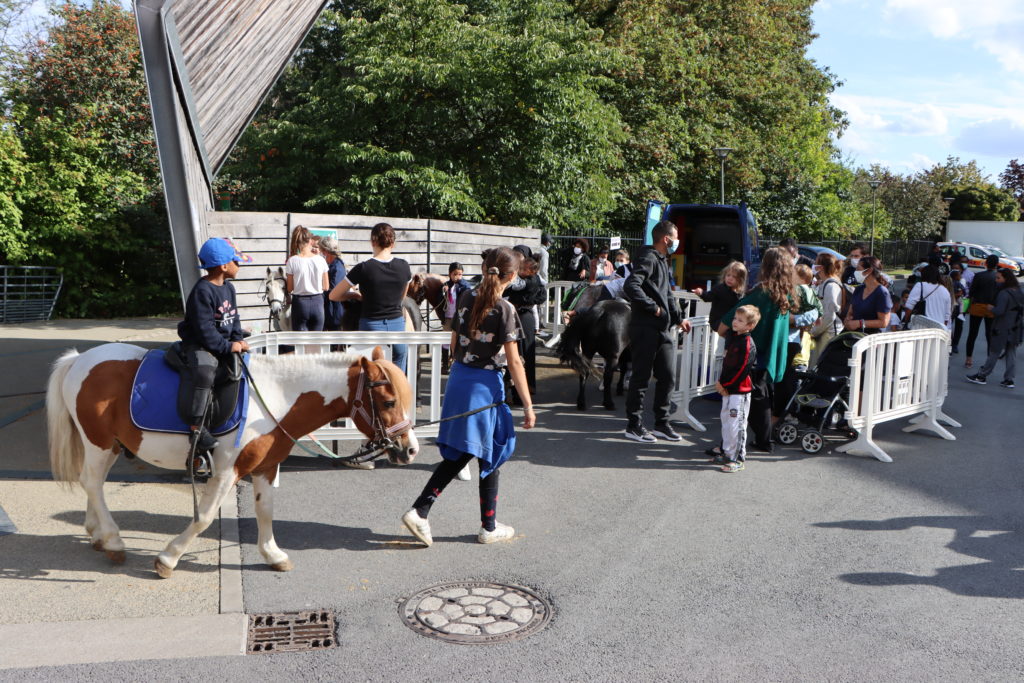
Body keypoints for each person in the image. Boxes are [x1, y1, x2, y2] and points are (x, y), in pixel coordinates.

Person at [400, 247, 535, 547]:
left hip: (460, 378)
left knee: (478, 451)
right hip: (484, 386)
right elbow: (514, 362)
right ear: (511, 276)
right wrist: (527, 404)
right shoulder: (505, 309)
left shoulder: (465, 296)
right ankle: (426, 511)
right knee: (485, 451)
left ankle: (480, 521)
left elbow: (453, 338)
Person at [176, 238, 250, 475]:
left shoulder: (229, 288)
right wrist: (227, 347)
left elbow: (234, 320)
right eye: (235, 260)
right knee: (205, 371)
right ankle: (197, 428)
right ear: (223, 266)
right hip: (200, 345)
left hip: (223, 343)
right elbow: (205, 331)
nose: (239, 264)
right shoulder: (203, 290)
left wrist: (238, 340)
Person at [717, 247, 799, 453]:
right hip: (771, 355)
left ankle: (757, 442)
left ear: (766, 266)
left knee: (751, 403)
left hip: (753, 357)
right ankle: (763, 440)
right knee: (762, 399)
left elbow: (724, 325)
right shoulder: (785, 294)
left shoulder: (761, 293)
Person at [622, 220, 690, 443]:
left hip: (662, 329)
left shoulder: (662, 259)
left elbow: (667, 293)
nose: (678, 241)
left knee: (668, 377)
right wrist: (654, 309)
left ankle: (662, 423)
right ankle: (634, 426)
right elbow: (631, 285)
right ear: (666, 239)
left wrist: (679, 318)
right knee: (641, 378)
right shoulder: (649, 257)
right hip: (645, 328)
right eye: (676, 236)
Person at [329, 223, 412, 373]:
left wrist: (354, 294)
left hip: (371, 325)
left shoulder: (363, 268)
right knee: (398, 368)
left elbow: (334, 295)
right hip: (397, 325)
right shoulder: (404, 266)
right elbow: (403, 296)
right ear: (393, 243)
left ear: (373, 242)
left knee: (369, 372)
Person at [712, 304, 760, 473]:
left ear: (750, 326)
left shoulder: (747, 343)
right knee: (726, 421)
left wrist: (726, 385)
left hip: (739, 391)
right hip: (728, 389)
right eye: (735, 319)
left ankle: (738, 458)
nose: (735, 322)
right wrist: (721, 383)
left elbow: (742, 369)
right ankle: (727, 451)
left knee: (737, 424)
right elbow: (727, 365)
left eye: (740, 320)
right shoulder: (734, 338)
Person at [966, 268, 1023, 388]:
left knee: (994, 352)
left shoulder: (1003, 293)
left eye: (998, 278)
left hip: (1002, 327)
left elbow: (999, 311)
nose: (996, 280)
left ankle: (982, 375)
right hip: (1015, 327)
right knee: (1011, 353)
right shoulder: (1019, 291)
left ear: (1005, 279)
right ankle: (1009, 379)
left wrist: (991, 308)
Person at [506, 256, 547, 401]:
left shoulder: (528, 281)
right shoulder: (536, 280)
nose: (520, 271)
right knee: (523, 353)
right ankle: (524, 389)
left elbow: (512, 286)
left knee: (521, 353)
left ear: (533, 271)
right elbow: (542, 296)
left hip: (522, 317)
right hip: (524, 316)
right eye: (520, 268)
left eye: (523, 269)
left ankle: (519, 392)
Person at [285, 226, 330, 332]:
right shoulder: (321, 260)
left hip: (300, 304)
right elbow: (326, 286)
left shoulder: (292, 261)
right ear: (310, 241)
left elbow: (290, 288)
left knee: (300, 343)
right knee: (316, 343)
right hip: (317, 303)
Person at [964, 255, 1000, 369]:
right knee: (989, 335)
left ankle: (968, 359)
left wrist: (968, 307)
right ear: (997, 264)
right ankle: (989, 362)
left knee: (972, 333)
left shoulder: (979, 276)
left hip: (977, 306)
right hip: (991, 308)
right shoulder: (998, 278)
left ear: (986, 263)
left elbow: (972, 293)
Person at [809, 252, 845, 365]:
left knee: (819, 366)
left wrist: (813, 332)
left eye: (816, 263)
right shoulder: (826, 283)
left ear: (821, 267)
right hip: (825, 331)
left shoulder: (831, 286)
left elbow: (829, 315)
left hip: (829, 333)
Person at [843, 254, 892, 334]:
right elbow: (850, 312)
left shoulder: (882, 292)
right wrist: (847, 319)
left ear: (869, 271)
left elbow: (884, 322)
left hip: (869, 339)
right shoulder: (859, 289)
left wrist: (860, 323)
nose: (855, 272)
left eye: (858, 269)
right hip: (853, 335)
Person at [696, 261, 747, 333]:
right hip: (718, 321)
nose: (730, 278)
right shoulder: (720, 289)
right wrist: (701, 293)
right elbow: (708, 296)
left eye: (734, 277)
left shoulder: (740, 294)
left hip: (731, 322)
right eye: (728, 275)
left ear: (740, 280)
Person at [904, 264, 952, 330]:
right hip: (938, 330)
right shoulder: (945, 290)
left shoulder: (920, 286)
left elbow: (909, 307)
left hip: (921, 328)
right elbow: (947, 316)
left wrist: (907, 322)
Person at [318, 236, 346, 331]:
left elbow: (334, 289)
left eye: (321, 252)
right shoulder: (332, 265)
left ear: (326, 251)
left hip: (334, 313)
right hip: (329, 311)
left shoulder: (337, 267)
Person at [440, 262, 470, 331]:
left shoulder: (464, 285)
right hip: (447, 318)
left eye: (460, 274)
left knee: (457, 337)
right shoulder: (446, 285)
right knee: (447, 338)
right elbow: (440, 299)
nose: (458, 276)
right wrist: (444, 291)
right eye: (455, 274)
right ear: (450, 274)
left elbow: (467, 289)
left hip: (459, 318)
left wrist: (460, 282)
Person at [949, 264, 968, 353]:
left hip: (959, 303)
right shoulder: (950, 281)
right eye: (954, 268)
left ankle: (955, 344)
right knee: (949, 324)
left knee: (959, 326)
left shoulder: (963, 279)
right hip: (952, 305)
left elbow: (964, 291)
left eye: (958, 269)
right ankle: (950, 343)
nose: (957, 270)